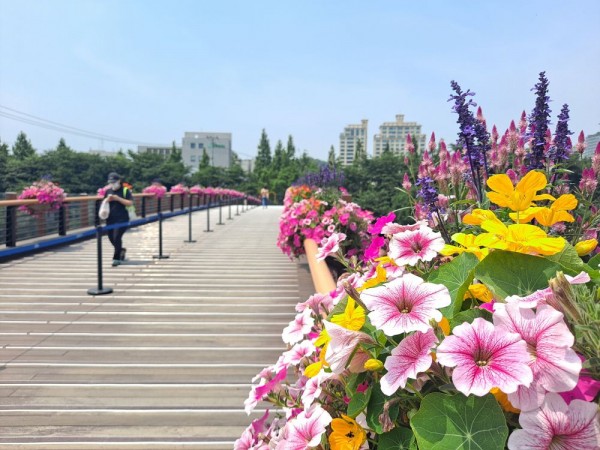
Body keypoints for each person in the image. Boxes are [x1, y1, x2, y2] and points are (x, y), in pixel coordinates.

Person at [104, 172, 133, 266]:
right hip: (110, 218)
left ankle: (116, 258)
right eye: (110, 182)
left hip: (122, 218)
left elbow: (130, 203)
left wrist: (118, 198)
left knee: (117, 237)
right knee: (111, 237)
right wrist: (107, 200)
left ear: (119, 181)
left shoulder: (125, 190)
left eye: (114, 182)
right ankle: (121, 250)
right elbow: (104, 203)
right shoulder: (108, 191)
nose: (112, 184)